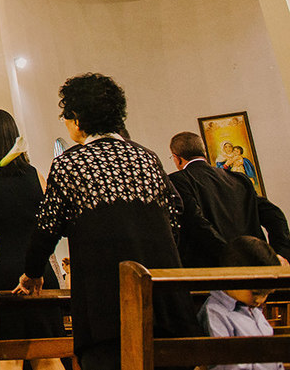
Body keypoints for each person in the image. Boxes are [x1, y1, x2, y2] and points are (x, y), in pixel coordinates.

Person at [16, 73, 198, 370]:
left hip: (105, 306)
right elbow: (175, 209)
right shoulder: (147, 158)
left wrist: (32, 273)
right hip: (162, 299)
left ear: (77, 119)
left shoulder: (70, 164)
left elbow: (47, 227)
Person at [0, 110, 63, 370]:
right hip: (36, 273)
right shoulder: (36, 176)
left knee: (6, 359)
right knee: (48, 356)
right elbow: (49, 226)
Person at [168, 131, 290, 267]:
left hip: (213, 267)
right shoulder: (239, 179)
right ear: (204, 153)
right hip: (255, 262)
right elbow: (274, 215)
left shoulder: (177, 181)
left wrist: (231, 256)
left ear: (177, 158)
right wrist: (279, 253)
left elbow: (196, 223)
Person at [199, 236, 281, 370]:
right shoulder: (216, 313)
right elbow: (226, 365)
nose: (260, 300)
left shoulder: (254, 309)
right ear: (231, 277)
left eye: (266, 294)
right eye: (255, 293)